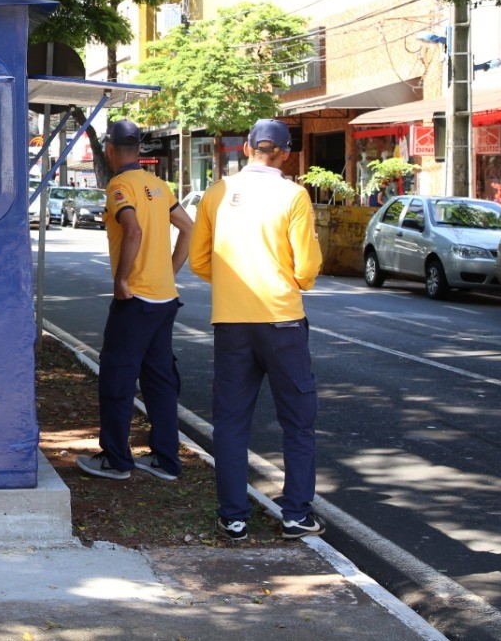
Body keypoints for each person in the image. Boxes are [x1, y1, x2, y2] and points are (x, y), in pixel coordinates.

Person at [189, 119, 325, 541]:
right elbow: (307, 268)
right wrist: (291, 281)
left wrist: (233, 285)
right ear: (286, 154)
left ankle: (233, 516)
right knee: (298, 422)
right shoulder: (294, 195)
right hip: (282, 320)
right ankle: (296, 515)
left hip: (231, 323)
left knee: (230, 422)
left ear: (245, 148)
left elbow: (198, 261)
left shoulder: (216, 193)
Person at [76, 119, 193, 482]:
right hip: (164, 298)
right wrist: (170, 270)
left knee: (117, 376)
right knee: (159, 379)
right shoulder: (159, 186)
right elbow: (187, 227)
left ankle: (116, 458)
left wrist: (122, 278)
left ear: (109, 150)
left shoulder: (118, 185)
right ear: (138, 149)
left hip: (136, 298)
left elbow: (134, 229)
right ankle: (166, 460)